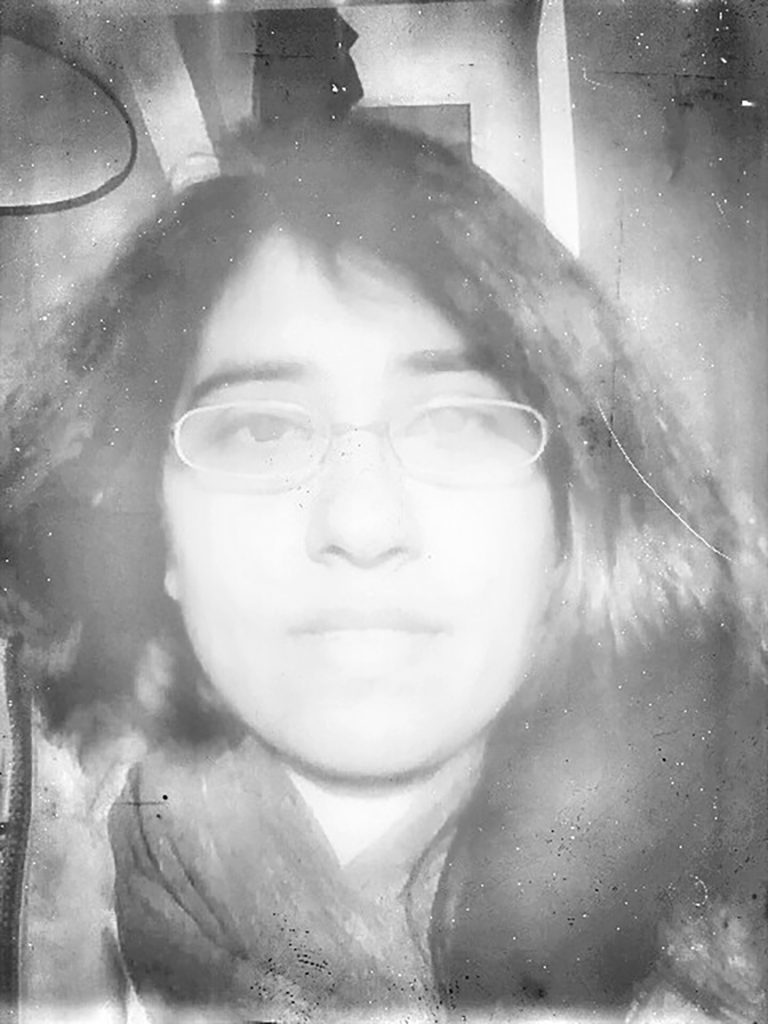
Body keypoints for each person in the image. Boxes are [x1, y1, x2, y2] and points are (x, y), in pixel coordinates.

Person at [1, 117, 765, 1023]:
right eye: (260, 430)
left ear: (570, 521)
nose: (361, 524)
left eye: (459, 422)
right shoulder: (47, 909)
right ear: (158, 535)